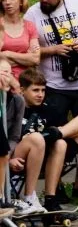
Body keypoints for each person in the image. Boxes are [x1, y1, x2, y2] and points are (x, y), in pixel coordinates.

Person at [18, 68, 78, 212]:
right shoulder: (16, 107)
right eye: (35, 90)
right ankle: (47, 136)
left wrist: (59, 133)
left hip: (50, 156)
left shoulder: (48, 108)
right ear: (22, 90)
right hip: (23, 157)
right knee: (37, 138)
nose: (40, 95)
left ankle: (50, 200)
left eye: (43, 90)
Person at [1, 58, 45, 215]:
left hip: (7, 151)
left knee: (36, 138)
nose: (7, 77)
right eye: (3, 73)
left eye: (9, 73)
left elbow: (14, 136)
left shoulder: (17, 100)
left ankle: (29, 196)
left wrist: (8, 156)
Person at [0, 0, 39, 80]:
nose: (7, 2)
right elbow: (30, 59)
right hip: (4, 82)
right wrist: (25, 57)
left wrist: (7, 54)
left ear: (21, 1)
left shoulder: (30, 26)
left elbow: (35, 59)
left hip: (27, 81)